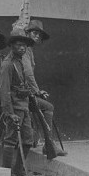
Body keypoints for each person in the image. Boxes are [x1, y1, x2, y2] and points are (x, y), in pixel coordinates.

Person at [0, 29, 39, 176]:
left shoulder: (21, 61)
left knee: (28, 139)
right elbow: (3, 90)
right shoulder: (8, 64)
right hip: (14, 108)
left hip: (24, 105)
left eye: (25, 46)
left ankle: (18, 170)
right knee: (10, 140)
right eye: (19, 45)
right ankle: (7, 174)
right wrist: (9, 113)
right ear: (12, 46)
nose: (22, 48)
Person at [25, 19, 66, 158]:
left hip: (26, 92)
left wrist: (36, 92)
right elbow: (28, 74)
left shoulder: (29, 49)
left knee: (44, 106)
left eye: (39, 35)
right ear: (27, 33)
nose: (37, 36)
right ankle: (48, 145)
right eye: (34, 33)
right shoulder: (25, 49)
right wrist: (36, 91)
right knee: (48, 107)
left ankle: (47, 143)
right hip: (21, 94)